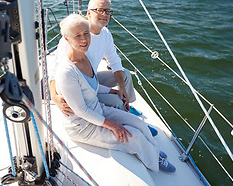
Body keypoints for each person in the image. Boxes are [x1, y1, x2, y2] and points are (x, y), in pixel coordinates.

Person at [55, 13, 175, 173]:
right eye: (77, 36)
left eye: (86, 33)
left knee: (138, 122)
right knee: (134, 136)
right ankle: (155, 161)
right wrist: (113, 125)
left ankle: (151, 151)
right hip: (82, 126)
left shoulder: (87, 56)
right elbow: (81, 111)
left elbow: (93, 86)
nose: (84, 39)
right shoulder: (66, 71)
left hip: (97, 110)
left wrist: (112, 90)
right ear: (67, 38)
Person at [50, 0, 142, 117]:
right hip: (79, 87)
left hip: (93, 79)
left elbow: (114, 60)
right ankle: (125, 113)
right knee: (116, 101)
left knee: (125, 75)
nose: (105, 14)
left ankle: (127, 105)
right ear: (88, 13)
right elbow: (56, 70)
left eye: (108, 11)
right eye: (100, 10)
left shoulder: (105, 33)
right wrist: (54, 96)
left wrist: (123, 89)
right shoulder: (74, 37)